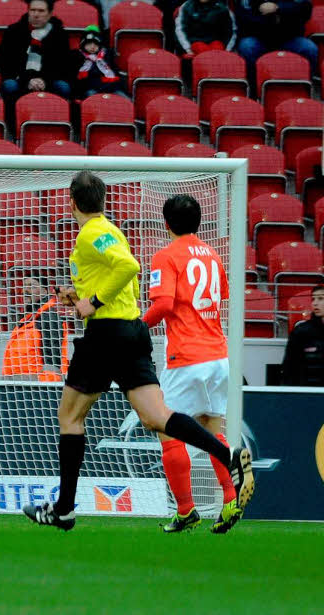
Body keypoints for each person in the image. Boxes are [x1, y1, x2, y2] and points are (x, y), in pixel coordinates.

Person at [21, 171, 254, 531]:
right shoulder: (110, 230)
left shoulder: (92, 233)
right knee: (157, 417)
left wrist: (93, 302)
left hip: (107, 334)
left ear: (72, 202)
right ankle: (228, 455)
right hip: (133, 332)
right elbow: (118, 274)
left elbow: (129, 267)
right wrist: (78, 296)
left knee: (70, 418)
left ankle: (64, 509)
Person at [142, 194, 242, 534]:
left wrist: (136, 327)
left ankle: (186, 510)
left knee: (165, 429)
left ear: (166, 224)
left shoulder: (165, 256)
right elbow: (219, 297)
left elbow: (164, 304)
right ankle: (230, 499)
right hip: (218, 355)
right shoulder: (213, 255)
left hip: (185, 357)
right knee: (213, 430)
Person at [0, 0, 72, 113]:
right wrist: (27, 79)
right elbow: (1, 61)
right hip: (20, 78)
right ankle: (13, 125)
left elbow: (63, 65)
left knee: (63, 87)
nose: (36, 14)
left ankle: (56, 123)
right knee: (10, 86)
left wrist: (44, 80)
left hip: (49, 80)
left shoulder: (60, 34)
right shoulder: (14, 31)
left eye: (41, 11)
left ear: (50, 14)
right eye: (33, 10)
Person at [2, 276, 68, 381]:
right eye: (24, 287)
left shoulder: (49, 318)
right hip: (20, 387)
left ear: (44, 291)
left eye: (31, 286)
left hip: (37, 390)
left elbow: (52, 361)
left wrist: (48, 389)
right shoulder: (27, 319)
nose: (25, 290)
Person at [234, 0, 316, 71]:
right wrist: (271, 22)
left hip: (288, 37)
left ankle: (304, 87)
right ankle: (254, 87)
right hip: (259, 38)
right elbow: (243, 18)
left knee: (309, 48)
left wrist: (278, 8)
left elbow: (305, 9)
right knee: (247, 46)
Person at [281, 285, 324, 386]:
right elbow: (289, 369)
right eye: (313, 299)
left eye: (321, 298)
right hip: (306, 395)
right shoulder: (300, 332)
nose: (315, 303)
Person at [69, 25, 126, 99]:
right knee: (91, 96)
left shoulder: (106, 55)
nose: (92, 47)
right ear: (83, 45)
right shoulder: (78, 57)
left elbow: (115, 72)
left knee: (125, 99)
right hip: (90, 88)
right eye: (89, 44)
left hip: (110, 87)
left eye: (95, 44)